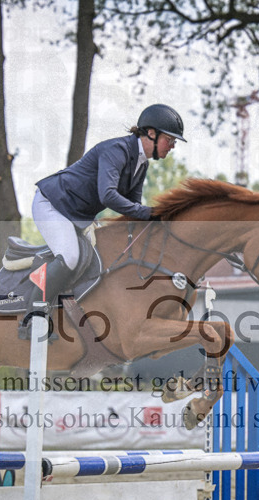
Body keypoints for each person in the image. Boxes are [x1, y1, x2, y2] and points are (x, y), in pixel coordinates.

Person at [20, 104, 186, 336]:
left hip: (79, 215)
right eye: (170, 139)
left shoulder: (141, 164)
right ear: (151, 133)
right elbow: (107, 195)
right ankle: (32, 317)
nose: (173, 146)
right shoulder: (116, 150)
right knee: (70, 256)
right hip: (52, 204)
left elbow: (133, 210)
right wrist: (149, 213)